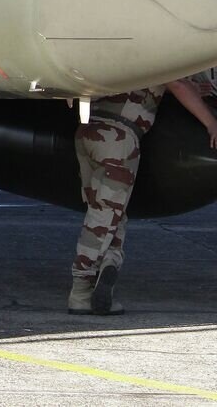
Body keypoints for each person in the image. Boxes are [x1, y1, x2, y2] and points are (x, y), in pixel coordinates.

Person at [69, 74, 217, 316]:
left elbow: (160, 85)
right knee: (105, 214)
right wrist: (211, 122)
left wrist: (192, 88)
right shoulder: (159, 58)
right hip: (118, 137)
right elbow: (177, 83)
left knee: (109, 211)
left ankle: (108, 263)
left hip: (88, 131)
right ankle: (81, 290)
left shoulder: (127, 61)